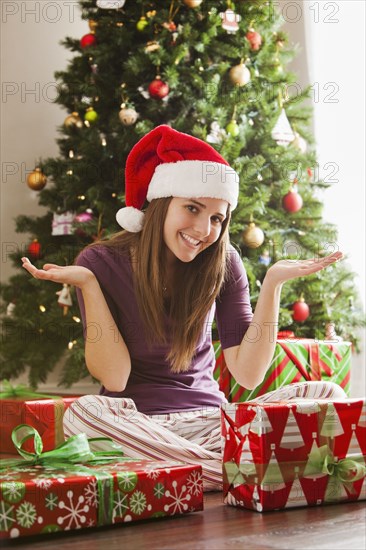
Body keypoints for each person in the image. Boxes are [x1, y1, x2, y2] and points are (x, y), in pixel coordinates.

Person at [22, 125, 346, 491]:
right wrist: (89, 286)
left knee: (326, 396)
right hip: (138, 424)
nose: (204, 229)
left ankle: (194, 472)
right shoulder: (99, 263)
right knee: (84, 415)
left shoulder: (224, 262)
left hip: (211, 423)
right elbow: (114, 379)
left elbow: (249, 375)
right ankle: (241, 465)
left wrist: (272, 285)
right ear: (162, 203)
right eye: (192, 208)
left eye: (216, 218)